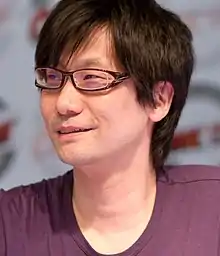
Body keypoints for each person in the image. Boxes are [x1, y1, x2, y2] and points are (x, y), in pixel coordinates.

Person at [1, 0, 220, 255]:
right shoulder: (10, 224)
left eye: (92, 78)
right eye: (52, 78)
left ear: (159, 99)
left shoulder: (211, 208)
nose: (64, 103)